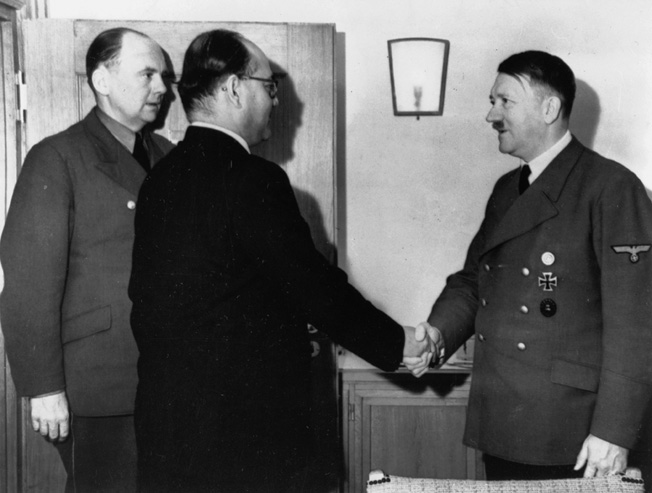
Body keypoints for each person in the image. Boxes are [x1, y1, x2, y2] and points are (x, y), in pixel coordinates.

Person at [128, 28, 432, 493]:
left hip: (168, 430)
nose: (277, 101)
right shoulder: (255, 179)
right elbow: (312, 287)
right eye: (269, 86)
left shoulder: (158, 180)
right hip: (244, 436)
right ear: (233, 88)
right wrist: (401, 342)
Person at [418, 50, 652, 481]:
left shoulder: (612, 187)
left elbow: (637, 325)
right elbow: (475, 280)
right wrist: (437, 333)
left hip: (575, 433)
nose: (491, 114)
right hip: (504, 417)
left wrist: (614, 433)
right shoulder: (508, 189)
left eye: (504, 101)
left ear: (549, 108)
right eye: (493, 101)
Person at [0, 27, 174, 492]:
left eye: (164, 76)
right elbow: (28, 284)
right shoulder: (57, 157)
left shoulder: (169, 157)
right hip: (97, 386)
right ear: (102, 79)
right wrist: (43, 388)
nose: (162, 88)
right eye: (148, 73)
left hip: (169, 381)